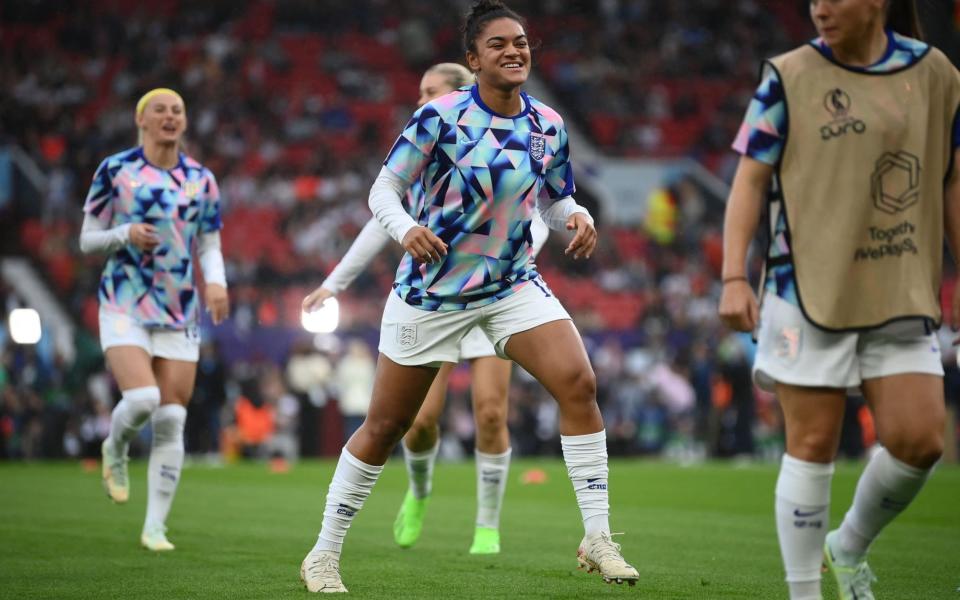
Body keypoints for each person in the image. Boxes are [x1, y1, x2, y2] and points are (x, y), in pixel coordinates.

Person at [298, 0, 638, 592]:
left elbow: (554, 199)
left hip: (510, 285)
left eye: (522, 41)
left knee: (579, 384)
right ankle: (323, 552)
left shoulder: (548, 125)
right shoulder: (438, 117)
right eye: (500, 44)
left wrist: (576, 215)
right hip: (431, 294)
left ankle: (598, 537)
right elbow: (385, 189)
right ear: (473, 59)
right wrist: (406, 229)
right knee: (384, 427)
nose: (514, 51)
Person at [718, 1, 960, 599]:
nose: (820, 8)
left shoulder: (937, 75)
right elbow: (749, 179)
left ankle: (848, 544)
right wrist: (733, 276)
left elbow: (953, 177)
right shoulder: (788, 75)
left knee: (921, 439)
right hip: (806, 289)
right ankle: (805, 594)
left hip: (901, 283)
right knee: (812, 442)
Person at [302, 61, 550, 556]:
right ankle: (418, 492)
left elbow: (535, 218)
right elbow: (380, 220)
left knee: (492, 413)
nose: (420, 101)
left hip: (493, 296)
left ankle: (487, 525)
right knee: (420, 421)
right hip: (436, 298)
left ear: (462, 93)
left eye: (429, 92)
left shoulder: (512, 143)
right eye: (419, 93)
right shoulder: (426, 151)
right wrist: (334, 284)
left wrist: (501, 261)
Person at [80, 88, 229, 551]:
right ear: (141, 119)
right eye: (160, 110)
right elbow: (86, 239)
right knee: (142, 398)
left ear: (185, 123)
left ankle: (155, 527)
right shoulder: (116, 170)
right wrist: (124, 234)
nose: (169, 117)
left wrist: (216, 282)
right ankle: (115, 447)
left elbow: (208, 242)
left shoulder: (200, 179)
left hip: (180, 307)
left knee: (170, 420)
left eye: (177, 111)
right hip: (124, 301)